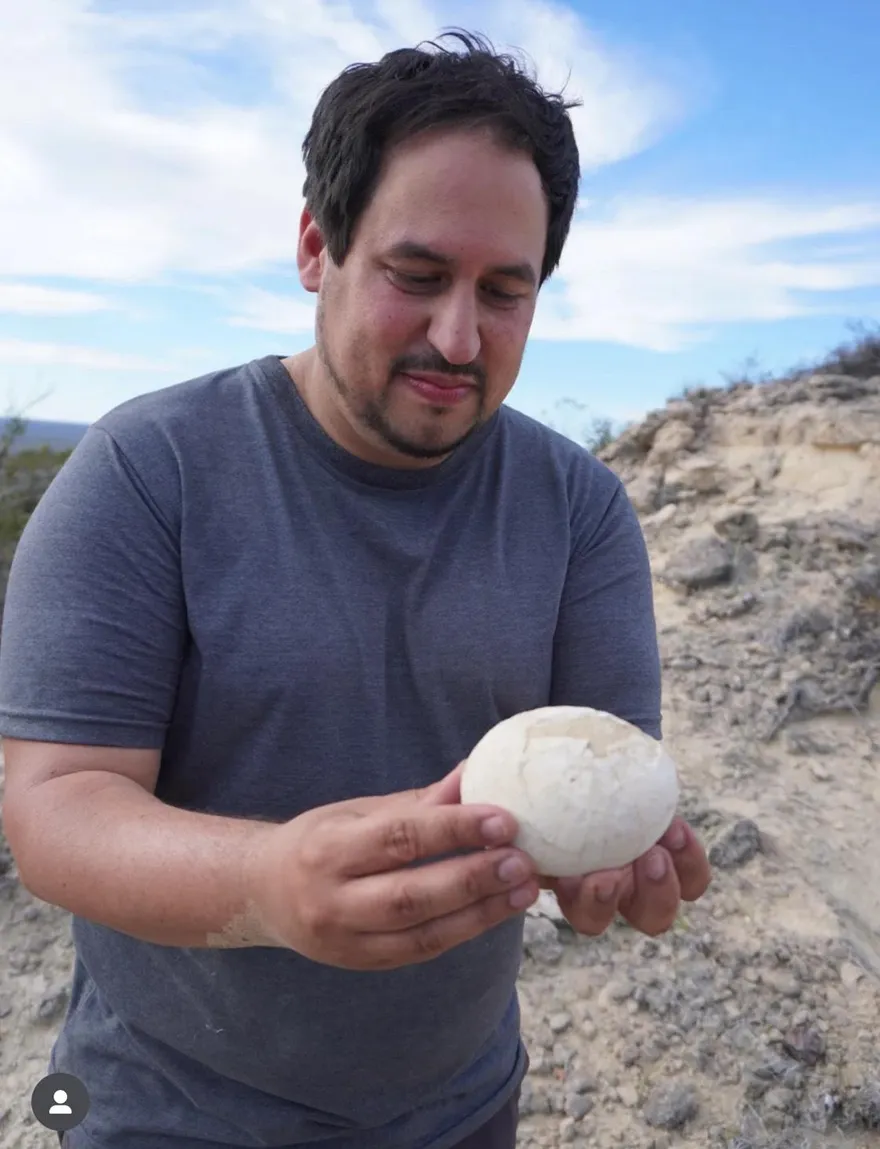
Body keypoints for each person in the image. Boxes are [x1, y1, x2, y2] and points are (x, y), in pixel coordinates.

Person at [0, 29, 710, 1149]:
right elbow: (56, 808)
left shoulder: (577, 508)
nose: (458, 336)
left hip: (461, 1103)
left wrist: (607, 869)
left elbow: (602, 770)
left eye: (505, 292)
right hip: (156, 1106)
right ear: (317, 246)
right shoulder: (151, 469)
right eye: (415, 276)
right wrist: (269, 884)